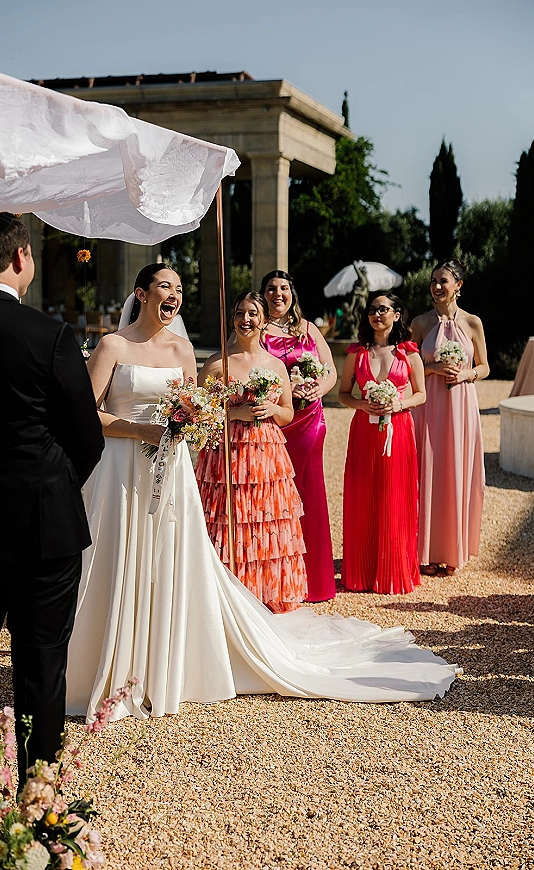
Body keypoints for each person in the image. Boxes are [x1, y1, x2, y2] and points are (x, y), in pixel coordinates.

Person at [66, 265, 460, 724]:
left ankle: (160, 663)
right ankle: (106, 658)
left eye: (178, 287)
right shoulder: (113, 346)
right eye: (164, 287)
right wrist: (142, 429)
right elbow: (85, 413)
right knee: (116, 555)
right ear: (141, 293)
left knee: (167, 559)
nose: (173, 294)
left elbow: (198, 412)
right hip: (120, 467)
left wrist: (193, 422)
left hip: (169, 468)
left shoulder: (184, 350)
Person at [0, 211, 104, 784]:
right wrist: (52, 482)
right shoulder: (50, 335)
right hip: (44, 527)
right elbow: (85, 438)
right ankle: (39, 806)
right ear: (20, 258)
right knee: (41, 668)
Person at [195, 290, 307, 613]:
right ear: (232, 318)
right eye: (240, 313)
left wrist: (270, 407)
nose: (246, 320)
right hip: (225, 455)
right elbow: (199, 412)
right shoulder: (218, 363)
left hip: (265, 456)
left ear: (264, 320)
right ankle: (226, 595)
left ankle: (262, 593)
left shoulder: (274, 364)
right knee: (227, 518)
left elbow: (288, 414)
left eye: (253, 314)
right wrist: (234, 414)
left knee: (261, 521)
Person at [338, 291, 426, 594]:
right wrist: (363, 406)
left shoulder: (408, 353)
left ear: (397, 315)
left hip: (399, 432)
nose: (377, 315)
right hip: (364, 433)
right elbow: (343, 394)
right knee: (363, 495)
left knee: (395, 496)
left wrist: (397, 405)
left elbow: (421, 394)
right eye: (373, 310)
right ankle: (362, 572)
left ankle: (393, 571)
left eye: (384, 309)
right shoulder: (357, 353)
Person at [260, 270, 337, 602]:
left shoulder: (308, 329)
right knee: (272, 495)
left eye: (284, 289)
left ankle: (314, 581)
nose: (278, 294)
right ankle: (277, 577)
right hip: (273, 422)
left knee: (309, 492)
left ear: (293, 294)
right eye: (271, 289)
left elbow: (331, 369)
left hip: (309, 422)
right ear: (263, 295)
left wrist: (320, 385)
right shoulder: (256, 330)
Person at [411, 259, 488, 576]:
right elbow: (407, 367)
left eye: (443, 281)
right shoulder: (419, 323)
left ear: (458, 285)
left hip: (461, 407)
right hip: (428, 407)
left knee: (457, 472)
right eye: (433, 281)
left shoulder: (472, 323)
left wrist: (467, 373)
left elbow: (484, 366)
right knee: (427, 470)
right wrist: (432, 369)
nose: (437, 286)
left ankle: (452, 550)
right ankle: (424, 551)